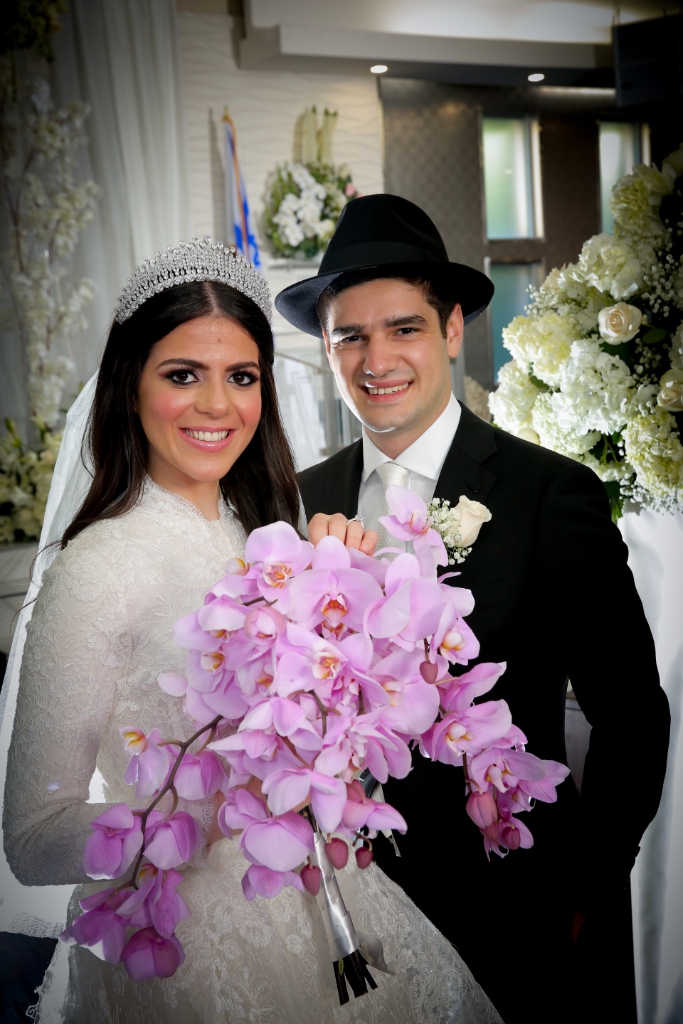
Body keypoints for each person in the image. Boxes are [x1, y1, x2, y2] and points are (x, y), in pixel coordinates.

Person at [2, 238, 502, 1023]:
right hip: (188, 953)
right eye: (182, 375)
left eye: (241, 376)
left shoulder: (267, 534)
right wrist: (204, 817)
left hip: (328, 900)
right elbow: (34, 839)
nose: (217, 405)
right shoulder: (98, 568)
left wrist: (357, 609)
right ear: (128, 386)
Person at [276, 194, 672, 1024]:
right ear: (327, 348)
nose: (376, 359)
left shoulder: (547, 493)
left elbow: (632, 713)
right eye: (350, 336)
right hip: (351, 924)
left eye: (404, 328)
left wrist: (584, 889)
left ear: (452, 329)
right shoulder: (296, 504)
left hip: (517, 917)